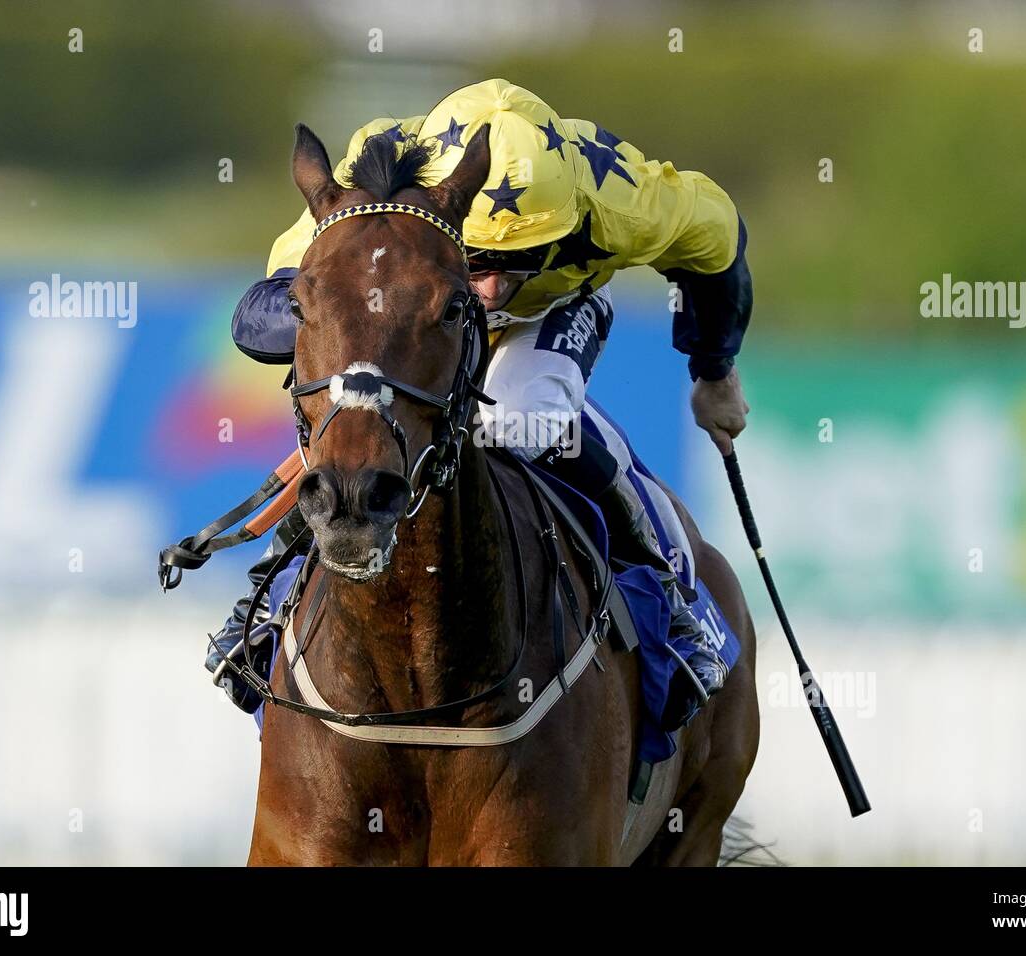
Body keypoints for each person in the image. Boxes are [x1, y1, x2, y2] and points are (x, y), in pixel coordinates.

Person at [208, 79, 753, 729]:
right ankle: (268, 596)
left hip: (548, 311)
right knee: (357, 407)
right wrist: (333, 317)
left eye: (514, 259)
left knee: (519, 419)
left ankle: (668, 590)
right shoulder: (375, 171)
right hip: (413, 302)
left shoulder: (619, 200)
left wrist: (713, 369)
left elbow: (717, 242)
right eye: (477, 259)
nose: (491, 287)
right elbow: (258, 316)